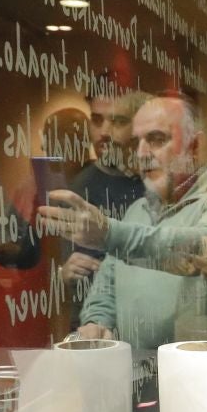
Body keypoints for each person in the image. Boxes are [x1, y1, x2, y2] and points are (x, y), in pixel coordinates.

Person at [42, 94, 207, 348]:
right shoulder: (137, 209)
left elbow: (202, 249)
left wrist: (108, 233)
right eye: (137, 142)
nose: (142, 154)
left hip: (195, 373)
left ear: (193, 146)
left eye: (157, 140)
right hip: (136, 375)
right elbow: (107, 283)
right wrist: (97, 322)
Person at [63, 91, 148, 288]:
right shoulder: (85, 184)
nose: (105, 132)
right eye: (97, 120)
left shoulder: (159, 179)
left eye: (118, 122)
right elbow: (82, 269)